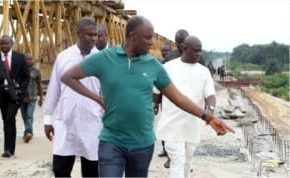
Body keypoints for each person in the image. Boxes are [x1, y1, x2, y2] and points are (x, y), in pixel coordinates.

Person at [60, 15, 234, 178]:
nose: (152, 43)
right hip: (112, 141)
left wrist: (207, 116)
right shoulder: (105, 59)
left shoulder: (153, 65)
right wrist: (97, 98)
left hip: (142, 144)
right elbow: (68, 77)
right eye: (148, 38)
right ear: (133, 36)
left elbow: (178, 98)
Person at [43, 17, 103, 177]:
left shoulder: (102, 59)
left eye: (96, 35)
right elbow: (54, 89)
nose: (93, 38)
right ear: (78, 33)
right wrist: (47, 119)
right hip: (66, 121)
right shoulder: (63, 57)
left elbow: (107, 93)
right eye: (89, 35)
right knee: (60, 170)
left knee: (92, 171)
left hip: (93, 123)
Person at [156, 36, 216, 178]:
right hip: (172, 125)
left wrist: (210, 110)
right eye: (195, 51)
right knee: (178, 160)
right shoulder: (168, 68)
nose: (198, 54)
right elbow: (156, 91)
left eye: (200, 51)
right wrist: (155, 103)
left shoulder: (204, 71)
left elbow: (210, 95)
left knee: (187, 161)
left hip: (192, 125)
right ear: (184, 49)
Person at [0, 35, 30, 158]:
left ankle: (8, 150)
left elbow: (26, 77)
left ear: (11, 44)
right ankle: (9, 148)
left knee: (9, 119)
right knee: (6, 121)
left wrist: (20, 90)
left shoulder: (20, 57)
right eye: (1, 44)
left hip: (15, 95)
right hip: (2, 95)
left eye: (6, 43)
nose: (3, 46)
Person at [20, 53, 43, 143]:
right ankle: (29, 131)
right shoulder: (20, 71)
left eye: (30, 59)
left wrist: (41, 98)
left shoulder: (36, 71)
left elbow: (40, 85)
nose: (28, 60)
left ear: (33, 60)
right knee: (24, 116)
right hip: (22, 98)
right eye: (26, 59)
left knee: (29, 115)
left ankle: (28, 132)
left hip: (32, 97)